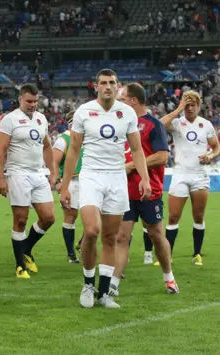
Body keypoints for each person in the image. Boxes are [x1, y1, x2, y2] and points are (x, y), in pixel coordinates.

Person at [60, 69, 152, 309]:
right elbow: (74, 150)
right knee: (91, 231)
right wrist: (65, 185)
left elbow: (138, 149)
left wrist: (144, 178)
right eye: (103, 83)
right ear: (96, 87)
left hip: (117, 178)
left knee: (110, 237)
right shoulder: (84, 111)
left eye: (112, 83)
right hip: (91, 176)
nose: (108, 86)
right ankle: (88, 284)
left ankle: (103, 293)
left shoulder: (127, 112)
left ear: (118, 86)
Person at [111, 82, 179, 296]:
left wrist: (132, 166)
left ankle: (169, 278)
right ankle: (113, 284)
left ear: (133, 101)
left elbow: (163, 156)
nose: (118, 103)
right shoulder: (118, 123)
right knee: (121, 237)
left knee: (156, 235)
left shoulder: (153, 124)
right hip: (124, 190)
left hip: (150, 190)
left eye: (122, 99)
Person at [0, 84, 56, 279]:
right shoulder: (10, 120)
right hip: (18, 173)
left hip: (38, 173)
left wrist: (53, 171)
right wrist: (0, 178)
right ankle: (20, 265)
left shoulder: (41, 119)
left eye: (35, 101)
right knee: (20, 220)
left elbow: (47, 146)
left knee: (49, 218)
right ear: (20, 99)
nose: (33, 105)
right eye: (29, 101)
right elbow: (0, 150)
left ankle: (26, 248)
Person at [160, 90, 220, 266]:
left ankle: (197, 254)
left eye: (192, 104)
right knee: (173, 217)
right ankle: (167, 255)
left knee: (199, 216)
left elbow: (216, 148)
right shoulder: (177, 123)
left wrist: (210, 156)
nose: (189, 108)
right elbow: (160, 124)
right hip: (180, 173)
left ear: (198, 106)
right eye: (186, 105)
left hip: (199, 174)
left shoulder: (206, 125)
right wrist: (178, 109)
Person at [52, 111, 81, 263]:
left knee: (97, 214)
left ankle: (82, 243)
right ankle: (71, 255)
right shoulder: (63, 140)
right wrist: (57, 181)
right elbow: (54, 161)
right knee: (71, 216)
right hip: (71, 182)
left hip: (88, 180)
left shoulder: (84, 138)